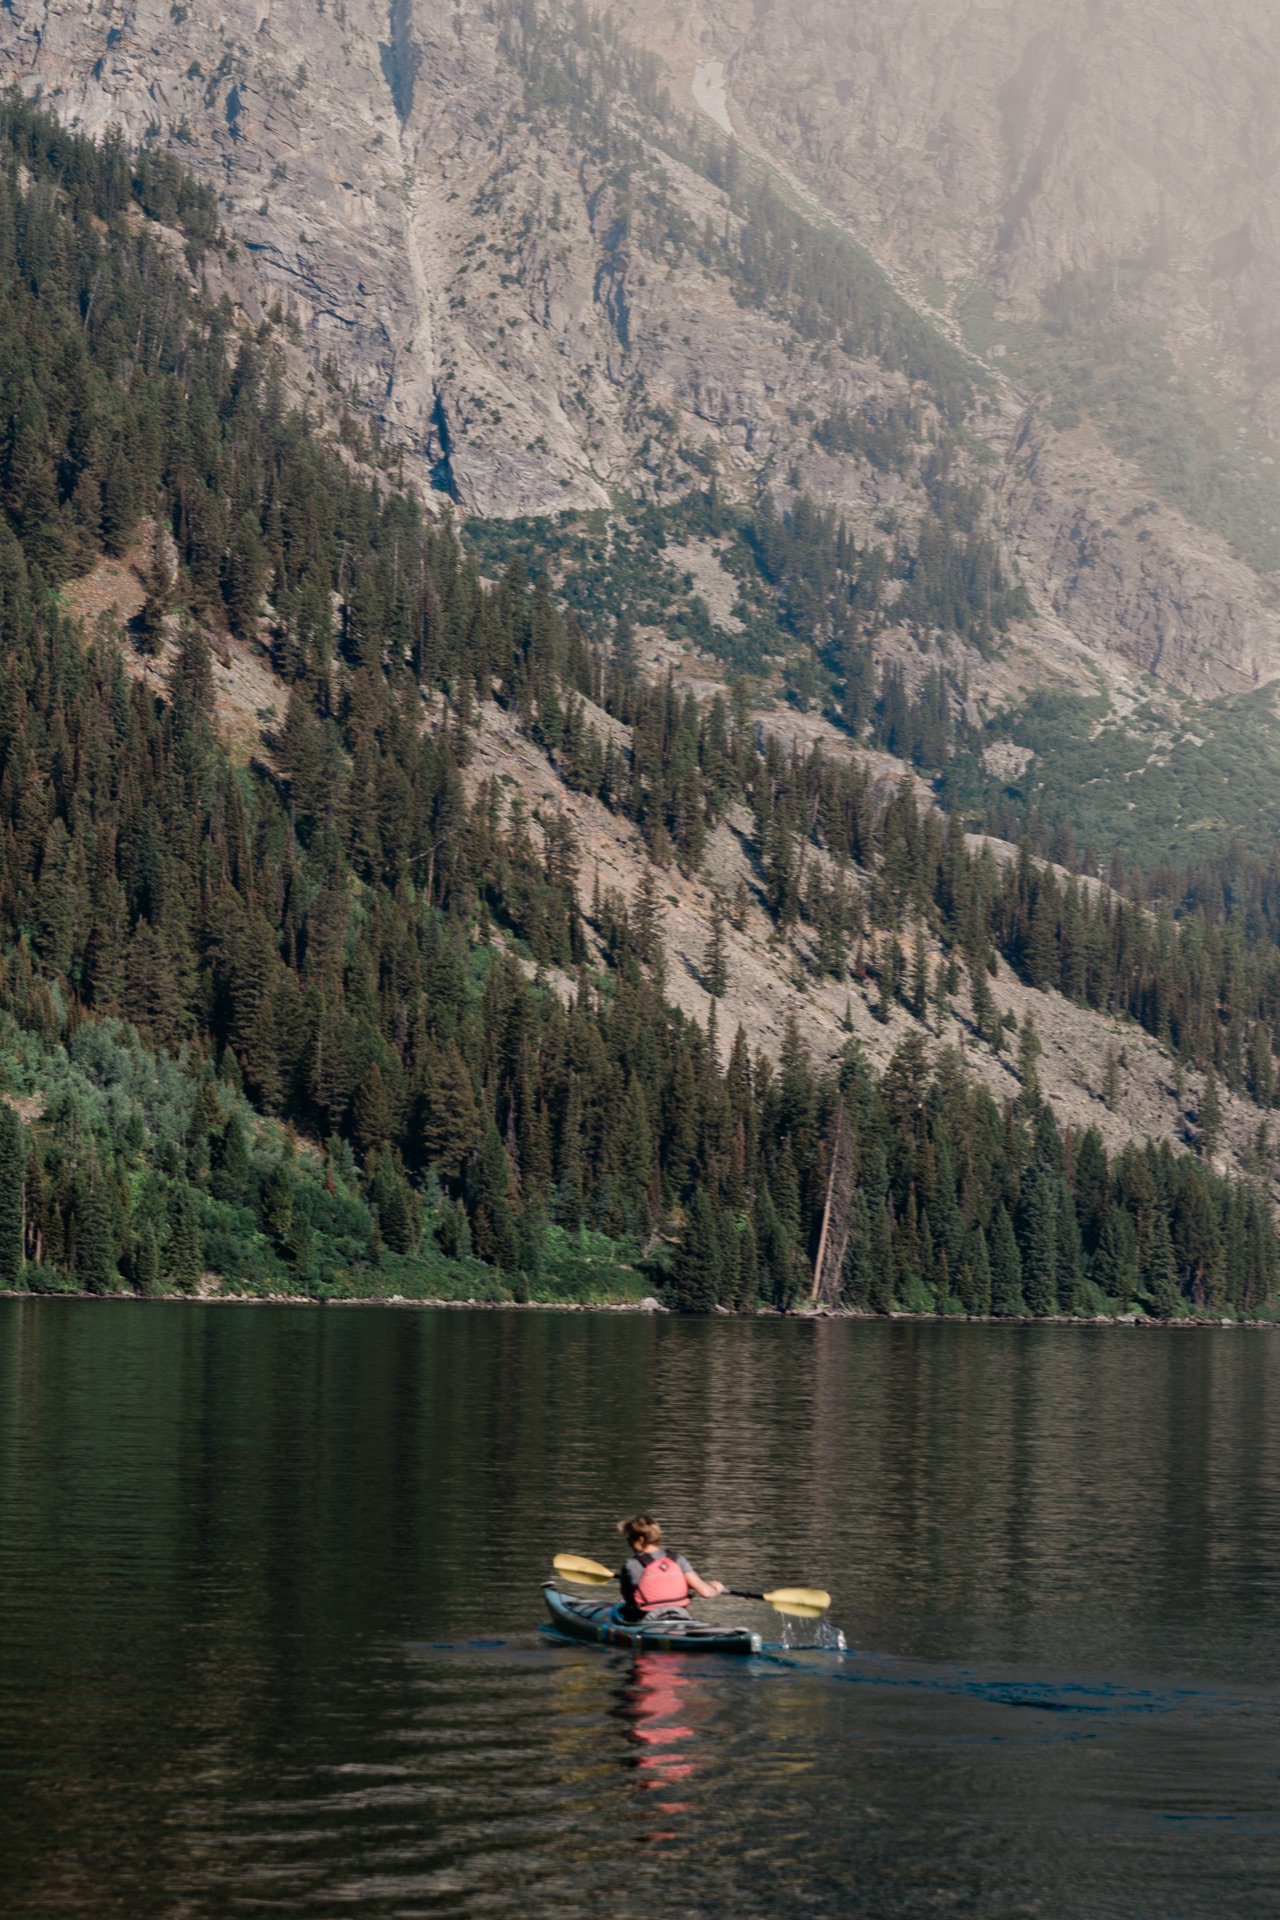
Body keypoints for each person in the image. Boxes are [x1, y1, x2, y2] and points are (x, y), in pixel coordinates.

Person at [617, 1514, 725, 1619]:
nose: (628, 1543)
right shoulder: (677, 1559)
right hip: (680, 1614)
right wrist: (716, 1588)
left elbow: (629, 1598)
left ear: (641, 1539)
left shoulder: (631, 1565)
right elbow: (706, 1592)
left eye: (629, 1539)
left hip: (646, 1619)